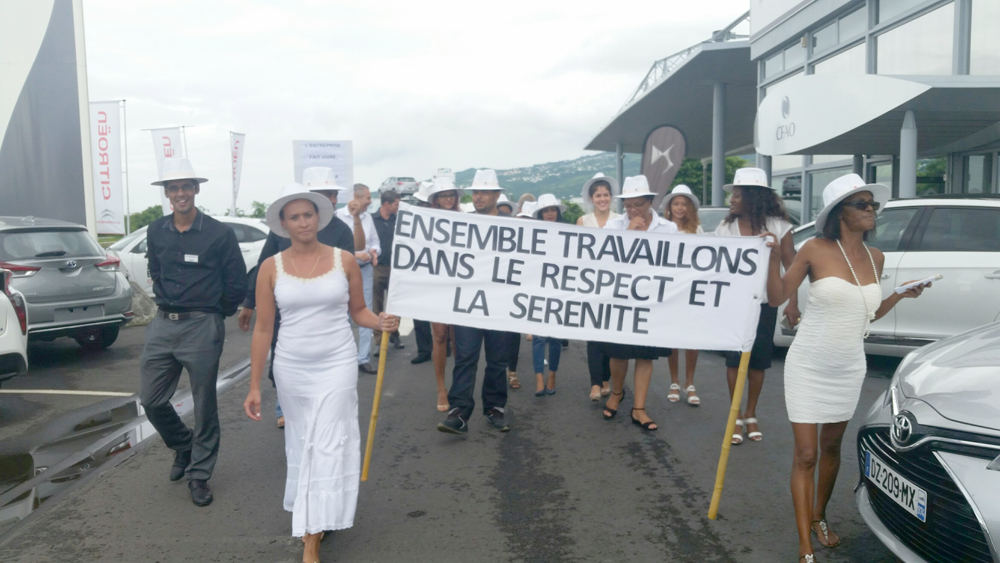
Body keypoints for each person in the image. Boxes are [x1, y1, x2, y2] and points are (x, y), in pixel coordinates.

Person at [764, 173, 927, 563]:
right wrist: (772, 259)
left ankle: (819, 517)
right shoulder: (813, 248)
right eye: (863, 204)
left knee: (832, 447)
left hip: (849, 365)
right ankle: (805, 543)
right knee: (806, 455)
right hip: (808, 364)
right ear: (840, 213)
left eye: (873, 204)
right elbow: (775, 298)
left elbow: (866, 314)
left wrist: (901, 295)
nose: (872, 210)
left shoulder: (877, 257)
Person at [243, 183, 398, 563]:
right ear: (283, 224)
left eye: (308, 215)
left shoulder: (344, 260)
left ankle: (311, 537)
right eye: (294, 217)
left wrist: (380, 322)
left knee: (328, 441)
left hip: (337, 363)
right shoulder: (270, 267)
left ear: (319, 217)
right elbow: (264, 328)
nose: (302, 223)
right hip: (292, 367)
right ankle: (314, 513)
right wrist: (254, 386)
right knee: (302, 443)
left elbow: (358, 311)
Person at [140, 158, 247, 507]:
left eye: (187, 186)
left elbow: (236, 284)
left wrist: (215, 314)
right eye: (174, 188)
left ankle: (199, 475)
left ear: (196, 189)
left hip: (202, 325)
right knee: (151, 399)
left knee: (204, 405)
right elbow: (155, 269)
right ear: (167, 194)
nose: (181, 193)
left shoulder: (219, 233)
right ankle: (183, 445)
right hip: (163, 324)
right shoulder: (156, 230)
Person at [238, 168, 357, 428]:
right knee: (301, 429)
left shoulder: (342, 235)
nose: (303, 223)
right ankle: (285, 407)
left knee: (331, 431)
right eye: (326, 194)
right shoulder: (276, 252)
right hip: (287, 322)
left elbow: (353, 300)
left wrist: (379, 320)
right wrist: (249, 303)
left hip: (334, 346)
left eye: (333, 194)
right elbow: (262, 268)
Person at [714, 167, 799, 445]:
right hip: (734, 304)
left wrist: (792, 302)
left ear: (753, 198)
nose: (732, 200)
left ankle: (751, 412)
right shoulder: (726, 228)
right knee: (734, 359)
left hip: (764, 304)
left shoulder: (778, 227)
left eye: (737, 196)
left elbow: (791, 264)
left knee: (758, 361)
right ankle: (735, 414)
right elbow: (714, 264)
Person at [437, 169, 516, 434]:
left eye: (483, 192)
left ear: (496, 195)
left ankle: (495, 407)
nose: (478, 196)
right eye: (475, 192)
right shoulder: (463, 223)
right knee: (466, 357)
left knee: (497, 359)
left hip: (500, 303)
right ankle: (459, 411)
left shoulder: (514, 224)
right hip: (468, 302)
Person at [599, 176, 676, 432]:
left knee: (645, 354)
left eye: (637, 205)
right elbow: (603, 262)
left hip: (652, 300)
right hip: (620, 299)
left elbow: (676, 264)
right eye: (628, 205)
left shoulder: (668, 228)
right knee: (618, 353)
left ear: (650, 202)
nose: (632, 210)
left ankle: (639, 408)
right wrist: (628, 236)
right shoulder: (613, 226)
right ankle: (617, 392)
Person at [575, 173, 621, 400]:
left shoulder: (620, 220)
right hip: (591, 283)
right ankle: (595, 382)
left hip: (614, 285)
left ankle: (605, 378)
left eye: (605, 195)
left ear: (611, 197)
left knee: (610, 334)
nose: (602, 198)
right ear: (591, 198)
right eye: (598, 195)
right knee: (593, 333)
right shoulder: (583, 222)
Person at [660, 184, 703, 406]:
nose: (679, 208)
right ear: (669, 206)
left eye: (684, 204)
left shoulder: (697, 229)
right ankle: (674, 382)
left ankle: (690, 382)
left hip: (691, 288)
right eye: (676, 203)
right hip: (670, 289)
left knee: (692, 338)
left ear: (690, 208)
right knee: (673, 338)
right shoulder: (664, 228)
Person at [336, 183, 382, 375]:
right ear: (356, 196)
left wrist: (373, 252)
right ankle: (342, 357)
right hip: (341, 271)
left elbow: (376, 243)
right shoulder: (338, 217)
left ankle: (363, 358)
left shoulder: (368, 218)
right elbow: (335, 248)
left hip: (364, 271)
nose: (370, 202)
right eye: (368, 198)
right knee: (341, 315)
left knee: (365, 311)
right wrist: (355, 254)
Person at [428, 177, 462, 411]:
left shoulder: (466, 218)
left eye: (451, 194)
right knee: (440, 335)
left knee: (459, 337)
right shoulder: (426, 222)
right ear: (436, 200)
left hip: (461, 283)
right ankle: (442, 389)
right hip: (437, 284)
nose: (448, 198)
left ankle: (459, 387)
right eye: (443, 195)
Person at [531, 194, 567, 397]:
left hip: (560, 289)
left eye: (553, 209)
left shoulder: (567, 232)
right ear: (541, 214)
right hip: (538, 288)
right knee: (538, 336)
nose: (550, 213)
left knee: (555, 337)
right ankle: (539, 377)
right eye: (546, 210)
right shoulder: (533, 233)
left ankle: (552, 374)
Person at [371, 189, 403, 356]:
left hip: (396, 268)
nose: (399, 207)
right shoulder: (371, 221)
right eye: (396, 204)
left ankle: (395, 335)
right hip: (377, 267)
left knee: (396, 303)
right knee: (377, 305)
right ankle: (378, 340)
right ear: (386, 204)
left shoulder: (399, 221)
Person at [410, 182, 435, 365]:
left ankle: (445, 344)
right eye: (420, 203)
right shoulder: (412, 219)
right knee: (419, 314)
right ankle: (425, 349)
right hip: (418, 270)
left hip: (439, 270)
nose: (422, 206)